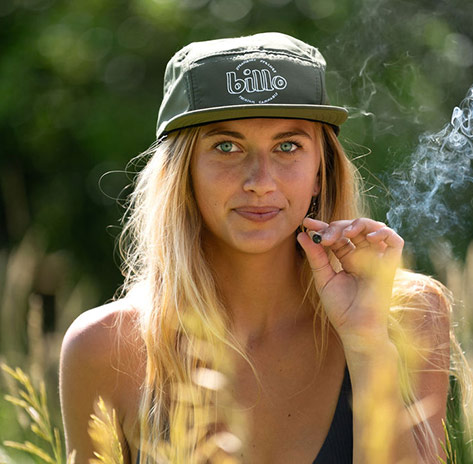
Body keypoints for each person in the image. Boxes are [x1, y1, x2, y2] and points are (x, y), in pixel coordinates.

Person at [60, 32, 455, 464]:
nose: (260, 181)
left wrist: (366, 344)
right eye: (226, 146)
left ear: (320, 172)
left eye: (288, 146)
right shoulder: (106, 348)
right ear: (182, 173)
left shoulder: (405, 316)